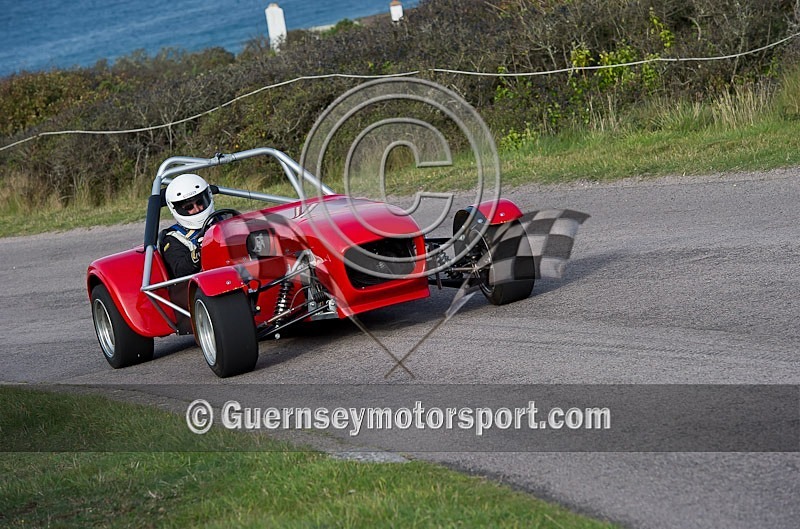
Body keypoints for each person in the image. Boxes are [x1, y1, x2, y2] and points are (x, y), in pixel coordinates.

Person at [160, 173, 215, 278]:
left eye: (200, 202)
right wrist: (199, 253)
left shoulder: (225, 218)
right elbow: (179, 269)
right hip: (204, 284)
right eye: (189, 207)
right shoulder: (173, 238)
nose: (198, 209)